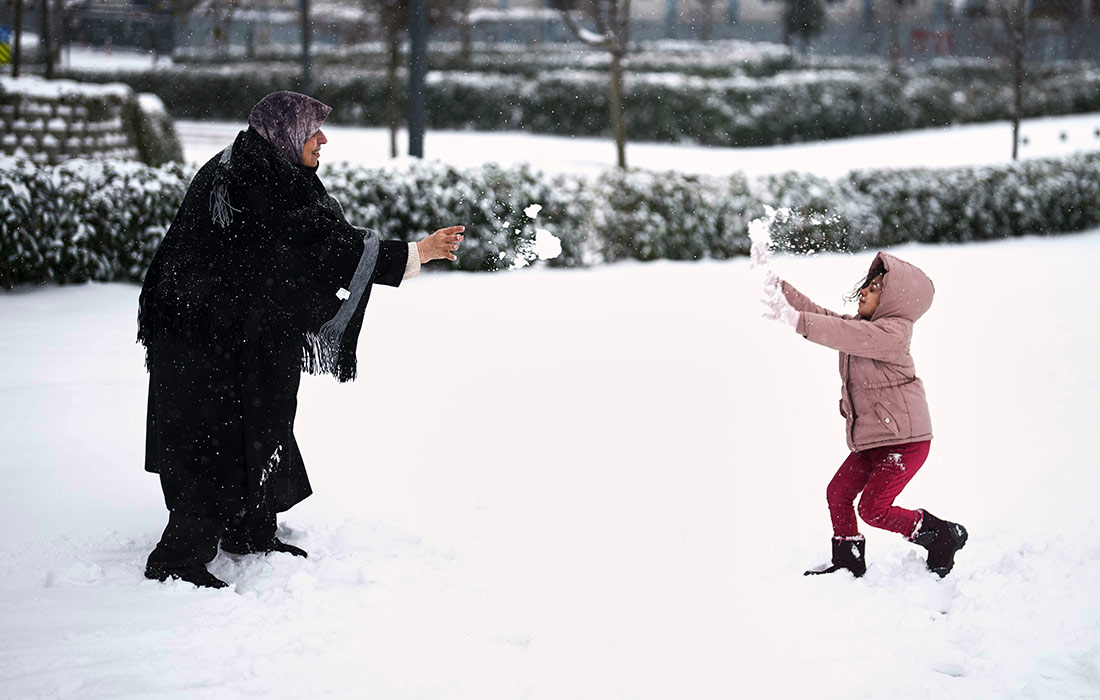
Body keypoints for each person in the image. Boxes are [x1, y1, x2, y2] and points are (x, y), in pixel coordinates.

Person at [137, 91, 465, 589]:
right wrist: (414, 254)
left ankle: (250, 528)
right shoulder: (253, 176)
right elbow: (319, 243)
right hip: (199, 335)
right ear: (285, 133)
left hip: (241, 330)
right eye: (313, 129)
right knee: (210, 436)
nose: (323, 139)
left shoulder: (266, 166)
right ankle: (178, 557)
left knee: (263, 415)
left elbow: (305, 242)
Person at [761, 252, 967, 578]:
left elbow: (844, 335)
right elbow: (824, 317)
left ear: (893, 300)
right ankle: (848, 560)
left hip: (905, 442)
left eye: (874, 289)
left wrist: (794, 320)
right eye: (867, 286)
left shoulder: (892, 334)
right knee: (838, 493)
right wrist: (777, 287)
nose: (863, 293)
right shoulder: (862, 327)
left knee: (873, 509)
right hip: (876, 439)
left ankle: (942, 535)